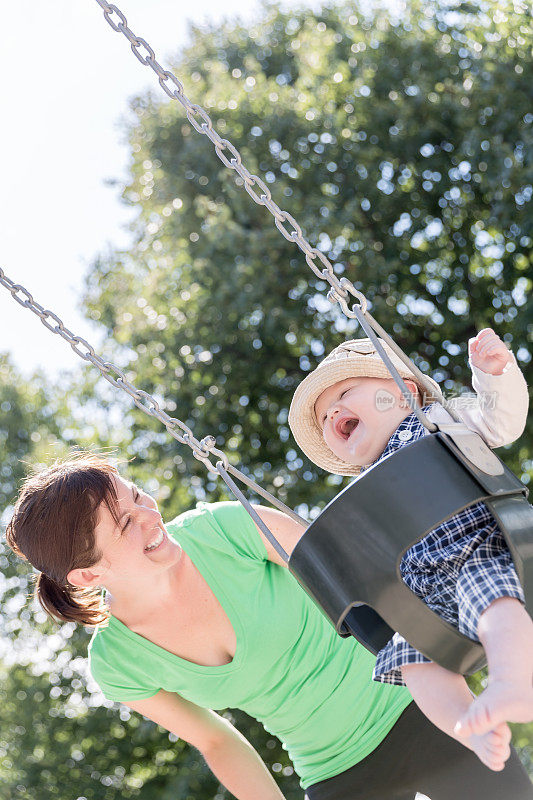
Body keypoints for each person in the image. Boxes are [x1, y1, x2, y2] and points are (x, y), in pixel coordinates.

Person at [5, 452, 533, 799]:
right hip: (335, 772)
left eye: (137, 495)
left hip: (424, 708)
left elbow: (358, 581)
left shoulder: (224, 529)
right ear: (87, 573)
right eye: (125, 522)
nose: (150, 514)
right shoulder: (119, 663)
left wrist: (451, 671)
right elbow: (218, 743)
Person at [288, 327, 533, 773]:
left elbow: (501, 421)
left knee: (492, 599)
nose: (334, 413)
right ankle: (469, 724)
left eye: (346, 392)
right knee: (408, 658)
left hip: (479, 548)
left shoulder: (439, 420)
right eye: (325, 418)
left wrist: (494, 374)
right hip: (420, 595)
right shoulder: (363, 490)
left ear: (405, 394)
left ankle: (515, 680)